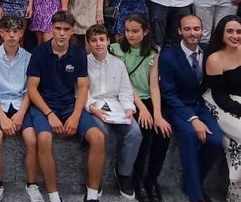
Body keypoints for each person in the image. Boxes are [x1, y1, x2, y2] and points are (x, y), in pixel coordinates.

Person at [26, 11, 105, 202]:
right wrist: (50, 114)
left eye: (66, 30)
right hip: (44, 106)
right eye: (58, 29)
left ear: (72, 32)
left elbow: (84, 87)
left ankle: (93, 194)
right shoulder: (39, 52)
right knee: (44, 138)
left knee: (99, 138)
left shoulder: (78, 54)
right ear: (51, 29)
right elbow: (32, 89)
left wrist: (76, 115)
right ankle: (54, 196)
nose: (62, 33)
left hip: (69, 105)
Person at [159, 14, 223, 202]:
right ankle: (195, 195)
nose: (192, 33)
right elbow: (168, 94)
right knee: (188, 135)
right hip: (178, 106)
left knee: (215, 141)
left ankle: (194, 181)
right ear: (179, 31)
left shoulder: (208, 51)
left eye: (196, 28)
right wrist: (193, 120)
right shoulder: (168, 57)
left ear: (202, 31)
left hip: (201, 104)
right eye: (187, 29)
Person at [110, 14, 171, 202]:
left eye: (135, 31)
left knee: (163, 132)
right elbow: (126, 84)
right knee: (143, 130)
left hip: (148, 97)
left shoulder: (153, 51)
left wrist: (158, 114)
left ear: (145, 32)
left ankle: (151, 179)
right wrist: (143, 110)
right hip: (128, 98)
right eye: (127, 30)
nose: (130, 35)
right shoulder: (117, 50)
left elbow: (153, 85)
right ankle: (136, 180)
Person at [0, 16, 42, 202]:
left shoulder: (28, 57)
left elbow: (29, 90)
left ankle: (32, 184)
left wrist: (20, 115)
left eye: (15, 31)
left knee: (32, 140)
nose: (11, 35)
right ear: (0, 33)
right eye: (7, 31)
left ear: (21, 33)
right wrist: (2, 117)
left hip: (21, 105)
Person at [85, 24, 142, 200]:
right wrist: (93, 109)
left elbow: (125, 90)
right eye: (93, 40)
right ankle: (96, 178)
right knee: (101, 133)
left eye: (102, 39)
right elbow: (81, 91)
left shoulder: (118, 63)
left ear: (108, 41)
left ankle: (124, 173)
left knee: (135, 133)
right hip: (95, 107)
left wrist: (129, 109)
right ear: (88, 43)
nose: (98, 44)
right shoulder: (83, 62)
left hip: (117, 106)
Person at [202, 15, 241, 201]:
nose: (235, 35)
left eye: (239, 31)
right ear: (222, 34)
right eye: (230, 31)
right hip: (218, 102)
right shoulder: (215, 59)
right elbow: (220, 97)